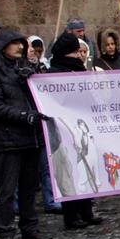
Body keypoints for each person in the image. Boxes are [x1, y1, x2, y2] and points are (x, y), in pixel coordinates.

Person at [0, 29, 52, 239]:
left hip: (30, 137)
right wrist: (22, 116)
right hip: (9, 138)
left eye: (20, 43)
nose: (20, 47)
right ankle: (5, 231)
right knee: (7, 189)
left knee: (29, 187)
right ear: (3, 46)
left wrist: (32, 78)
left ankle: (29, 227)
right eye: (14, 44)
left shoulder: (26, 70)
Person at [45, 35, 105, 229]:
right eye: (75, 52)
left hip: (82, 125)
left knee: (86, 170)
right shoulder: (53, 73)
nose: (79, 55)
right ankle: (71, 215)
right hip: (64, 128)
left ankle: (86, 210)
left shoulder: (81, 71)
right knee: (69, 172)